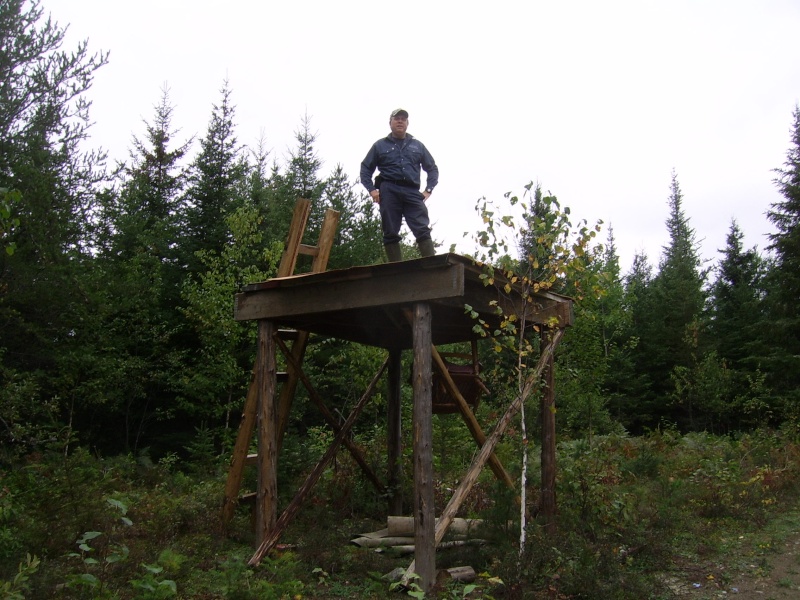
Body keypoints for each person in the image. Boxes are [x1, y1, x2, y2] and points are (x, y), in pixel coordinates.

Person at [360, 108, 439, 262]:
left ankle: (433, 266)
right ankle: (396, 269)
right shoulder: (379, 146)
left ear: (407, 123)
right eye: (397, 119)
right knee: (390, 231)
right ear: (390, 123)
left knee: (422, 228)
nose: (400, 121)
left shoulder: (417, 146)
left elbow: (432, 168)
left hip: (412, 191)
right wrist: (372, 190)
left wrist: (428, 190)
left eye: (403, 119)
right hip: (389, 189)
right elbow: (365, 168)